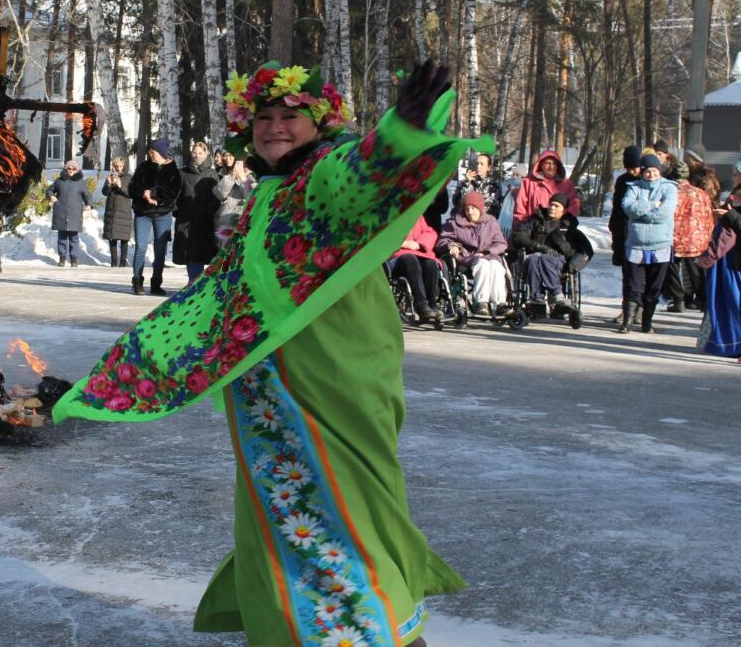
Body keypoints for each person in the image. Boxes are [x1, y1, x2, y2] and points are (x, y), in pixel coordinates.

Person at [53, 60, 478, 647]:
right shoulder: (267, 195)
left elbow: (365, 173)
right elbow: (223, 289)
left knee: (340, 508)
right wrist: (135, 364)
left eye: (291, 117)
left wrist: (400, 130)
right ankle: (298, 628)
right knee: (286, 515)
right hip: (271, 391)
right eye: (264, 117)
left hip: (328, 378)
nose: (276, 127)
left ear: (319, 126)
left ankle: (371, 632)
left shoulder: (321, 174)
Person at [619, 154, 678, 334]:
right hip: (636, 244)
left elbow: (665, 212)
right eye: (647, 171)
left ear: (659, 171)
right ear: (642, 172)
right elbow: (628, 207)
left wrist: (642, 213)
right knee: (633, 285)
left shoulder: (669, 188)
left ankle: (647, 322)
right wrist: (653, 204)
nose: (651, 174)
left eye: (654, 171)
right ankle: (627, 322)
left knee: (654, 287)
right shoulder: (634, 187)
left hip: (660, 245)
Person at [511, 192, 591, 310]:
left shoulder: (568, 226)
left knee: (544, 258)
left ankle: (557, 295)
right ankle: (537, 299)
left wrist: (574, 265)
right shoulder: (535, 220)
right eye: (551, 204)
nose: (552, 207)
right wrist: (538, 246)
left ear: (563, 211)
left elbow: (586, 249)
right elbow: (518, 236)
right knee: (535, 258)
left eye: (556, 206)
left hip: (558, 261)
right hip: (534, 256)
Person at [437, 190, 509, 315]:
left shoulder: (490, 222)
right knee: (483, 265)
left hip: (489, 256)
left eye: (473, 208)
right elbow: (442, 240)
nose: (470, 212)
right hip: (466, 259)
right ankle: (481, 303)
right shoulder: (454, 223)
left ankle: (500, 304)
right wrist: (451, 245)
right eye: (467, 209)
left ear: (480, 208)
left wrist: (487, 251)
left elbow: (501, 243)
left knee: (497, 267)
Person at [128, 138, 181, 295]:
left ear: (163, 153)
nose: (151, 155)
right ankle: (137, 281)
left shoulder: (173, 170)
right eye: (150, 152)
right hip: (143, 213)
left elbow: (174, 193)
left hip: (162, 213)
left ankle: (156, 282)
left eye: (154, 152)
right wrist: (142, 193)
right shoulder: (144, 166)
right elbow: (132, 187)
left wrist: (154, 194)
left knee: (160, 250)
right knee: (141, 247)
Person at [664, 161, 714, 312]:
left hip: (673, 236)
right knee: (695, 270)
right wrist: (707, 235)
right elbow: (708, 216)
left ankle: (678, 299)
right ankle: (702, 299)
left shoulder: (669, 192)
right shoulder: (700, 193)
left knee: (672, 267)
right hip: (695, 238)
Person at [697, 188, 741, 358]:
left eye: (737, 174)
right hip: (726, 261)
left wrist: (730, 216)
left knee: (736, 304)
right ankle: (726, 344)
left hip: (735, 264)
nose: (735, 177)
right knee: (723, 303)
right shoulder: (734, 195)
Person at [174, 140, 221, 282]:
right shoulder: (182, 172)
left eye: (200, 153)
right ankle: (193, 283)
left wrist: (209, 210)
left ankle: (201, 284)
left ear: (206, 154)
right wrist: (179, 211)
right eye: (194, 152)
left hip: (206, 221)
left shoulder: (212, 174)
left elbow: (216, 197)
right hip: (186, 220)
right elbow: (176, 195)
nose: (197, 155)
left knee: (203, 253)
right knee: (190, 254)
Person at [609, 146, 644, 325]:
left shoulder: (646, 180)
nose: (633, 171)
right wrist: (614, 229)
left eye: (635, 167)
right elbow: (616, 207)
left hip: (641, 234)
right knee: (626, 274)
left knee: (640, 275)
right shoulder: (622, 181)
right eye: (629, 168)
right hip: (622, 232)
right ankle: (626, 308)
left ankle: (639, 308)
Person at [390, 214, 443, 323]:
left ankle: (432, 305)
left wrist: (419, 244)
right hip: (396, 257)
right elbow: (382, 237)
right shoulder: (390, 214)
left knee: (431, 263)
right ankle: (421, 305)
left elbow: (430, 232)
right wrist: (403, 243)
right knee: (410, 259)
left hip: (418, 253)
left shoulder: (417, 215)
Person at [512, 149, 580, 223]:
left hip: (558, 229)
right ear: (540, 164)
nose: (551, 167)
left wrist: (565, 220)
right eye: (548, 163)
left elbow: (574, 205)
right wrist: (522, 228)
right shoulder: (528, 183)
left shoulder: (566, 184)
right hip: (533, 230)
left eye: (554, 164)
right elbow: (520, 210)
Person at [48, 160, 93, 267]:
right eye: (69, 168)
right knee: (62, 237)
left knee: (74, 238)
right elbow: (49, 190)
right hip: (61, 213)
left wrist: (89, 204)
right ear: (66, 169)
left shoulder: (81, 182)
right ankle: (62, 258)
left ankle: (74, 259)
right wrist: (52, 196)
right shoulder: (59, 181)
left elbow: (87, 195)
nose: (71, 170)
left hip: (75, 214)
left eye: (74, 169)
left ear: (77, 170)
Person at [213, 151, 254, 248]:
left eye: (231, 155)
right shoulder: (223, 173)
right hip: (225, 222)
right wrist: (232, 176)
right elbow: (219, 194)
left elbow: (251, 197)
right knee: (224, 256)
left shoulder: (253, 175)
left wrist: (242, 178)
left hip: (244, 221)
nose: (227, 158)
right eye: (225, 155)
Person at [101, 157, 133, 268]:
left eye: (120, 166)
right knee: (112, 238)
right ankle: (113, 262)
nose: (118, 169)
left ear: (123, 166)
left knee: (124, 239)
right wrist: (109, 185)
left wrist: (120, 186)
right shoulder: (110, 177)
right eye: (116, 166)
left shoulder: (129, 178)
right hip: (111, 211)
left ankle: (123, 262)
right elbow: (104, 192)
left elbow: (131, 193)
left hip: (124, 212)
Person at [451, 152, 504, 218]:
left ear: (488, 168)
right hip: (465, 222)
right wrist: (466, 183)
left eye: (482, 164)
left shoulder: (494, 186)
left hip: (485, 224)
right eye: (477, 163)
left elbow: (495, 210)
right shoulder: (466, 181)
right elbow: (456, 203)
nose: (478, 166)